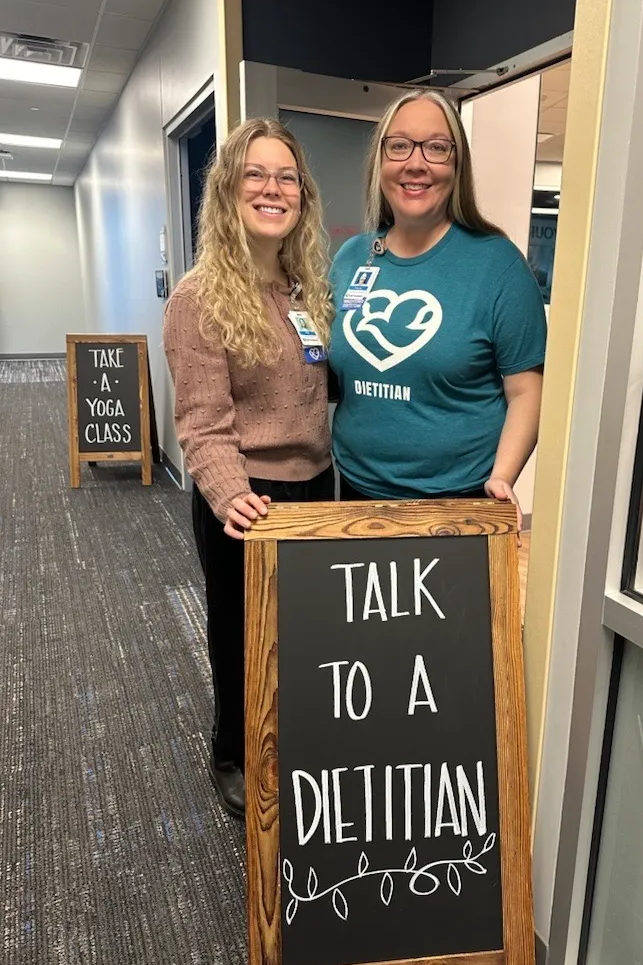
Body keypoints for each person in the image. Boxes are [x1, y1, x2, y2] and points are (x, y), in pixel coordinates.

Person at [163, 118, 334, 819]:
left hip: (315, 489)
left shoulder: (306, 291)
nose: (273, 188)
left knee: (302, 633)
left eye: (286, 176)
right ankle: (230, 751)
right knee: (241, 636)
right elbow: (201, 420)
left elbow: (322, 389)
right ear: (228, 191)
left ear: (303, 196)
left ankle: (290, 735)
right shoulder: (198, 298)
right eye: (256, 175)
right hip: (247, 500)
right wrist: (232, 494)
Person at [328, 89, 546, 521]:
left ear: (457, 164)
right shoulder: (351, 257)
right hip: (354, 489)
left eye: (436, 148)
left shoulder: (497, 265)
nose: (416, 163)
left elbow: (526, 392)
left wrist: (502, 477)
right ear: (380, 161)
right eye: (400, 145)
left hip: (457, 501)